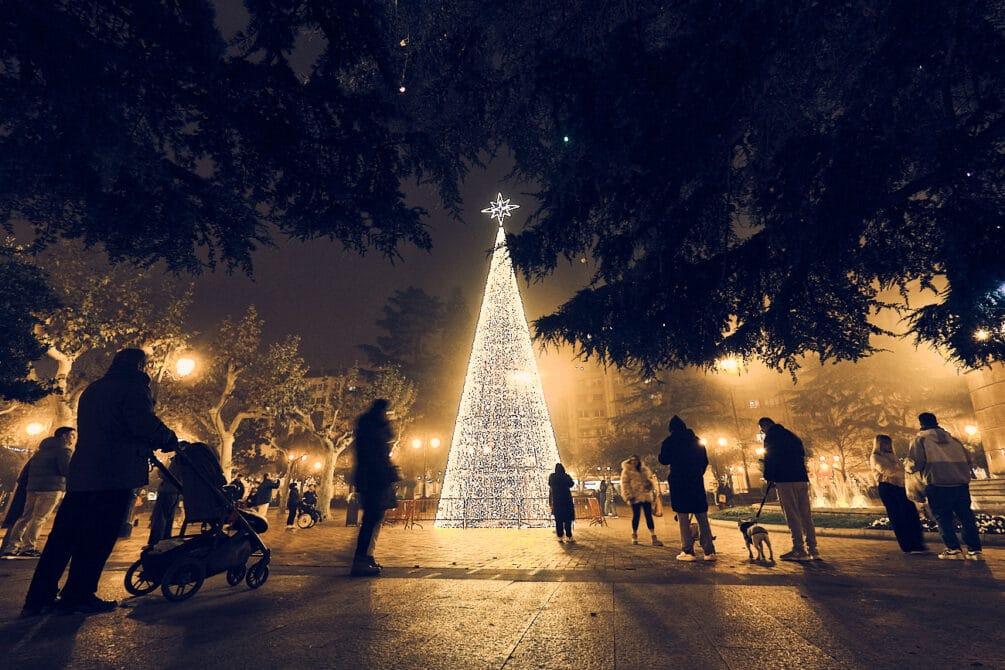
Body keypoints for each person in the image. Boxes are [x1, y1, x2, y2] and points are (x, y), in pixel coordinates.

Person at [23, 349, 177, 616]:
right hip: (114, 474)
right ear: (141, 365)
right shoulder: (133, 388)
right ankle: (79, 594)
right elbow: (142, 424)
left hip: (83, 474)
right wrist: (168, 438)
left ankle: (39, 597)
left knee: (63, 538)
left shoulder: (93, 390)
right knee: (98, 538)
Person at [906, 413, 982, 560]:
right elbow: (968, 460)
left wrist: (907, 467)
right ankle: (975, 551)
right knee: (966, 517)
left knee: (943, 518)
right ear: (936, 421)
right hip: (960, 484)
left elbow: (915, 463)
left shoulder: (920, 439)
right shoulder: (954, 440)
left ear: (921, 423)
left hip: (937, 484)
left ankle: (954, 550)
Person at [1, 427, 75, 558]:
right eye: (72, 436)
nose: (73, 439)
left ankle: (12, 546)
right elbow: (66, 470)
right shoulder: (63, 450)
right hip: (51, 488)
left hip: (32, 487)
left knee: (25, 517)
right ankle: (29, 546)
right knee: (39, 518)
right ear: (64, 436)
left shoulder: (41, 451)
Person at [350, 399, 400, 576]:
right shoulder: (375, 428)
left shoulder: (367, 425)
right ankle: (362, 558)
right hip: (375, 479)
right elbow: (379, 454)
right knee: (372, 519)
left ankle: (365, 556)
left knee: (372, 519)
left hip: (369, 479)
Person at [759, 417, 819, 561]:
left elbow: (770, 459)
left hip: (784, 480)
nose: (763, 432)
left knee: (792, 514)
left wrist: (769, 477)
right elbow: (802, 454)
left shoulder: (771, 438)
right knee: (805, 514)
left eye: (762, 429)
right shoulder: (792, 436)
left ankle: (799, 549)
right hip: (801, 478)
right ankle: (813, 549)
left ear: (765, 426)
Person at [659, 416, 716, 561]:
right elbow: (704, 461)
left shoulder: (669, 442)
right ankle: (709, 551)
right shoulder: (696, 441)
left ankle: (688, 550)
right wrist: (697, 473)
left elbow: (663, 459)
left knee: (683, 517)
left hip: (679, 482)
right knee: (702, 516)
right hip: (695, 481)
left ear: (671, 429)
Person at [870, 435, 926, 554]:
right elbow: (887, 471)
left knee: (910, 513)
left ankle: (917, 543)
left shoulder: (893, 456)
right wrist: (903, 471)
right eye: (885, 443)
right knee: (898, 516)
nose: (888, 446)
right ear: (879, 444)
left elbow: (900, 471)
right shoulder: (876, 457)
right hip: (888, 488)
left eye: (889, 443)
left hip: (901, 487)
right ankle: (907, 545)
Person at [620, 455, 663, 546]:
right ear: (630, 461)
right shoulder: (627, 471)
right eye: (632, 460)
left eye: (636, 460)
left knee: (649, 516)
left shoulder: (644, 470)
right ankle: (634, 535)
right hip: (634, 497)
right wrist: (628, 495)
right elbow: (624, 484)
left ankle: (653, 536)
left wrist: (650, 485)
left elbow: (650, 480)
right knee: (636, 516)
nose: (634, 462)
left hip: (646, 495)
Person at [147, 455, 183, 547]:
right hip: (175, 491)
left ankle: (156, 541)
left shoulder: (177, 460)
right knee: (168, 517)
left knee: (160, 517)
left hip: (167, 490)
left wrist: (160, 470)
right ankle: (165, 539)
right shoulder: (182, 460)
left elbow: (169, 476)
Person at [548, 463, 575, 542]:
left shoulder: (552, 477)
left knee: (559, 520)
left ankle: (560, 536)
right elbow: (571, 484)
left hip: (557, 501)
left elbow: (549, 484)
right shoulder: (566, 476)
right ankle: (569, 535)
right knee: (567, 520)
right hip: (566, 500)